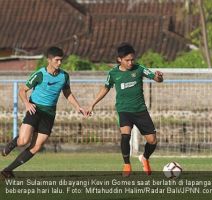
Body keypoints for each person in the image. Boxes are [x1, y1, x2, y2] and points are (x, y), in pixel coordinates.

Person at [1, 47, 85, 178]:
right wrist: (27, 104)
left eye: (61, 60)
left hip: (49, 114)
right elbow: (22, 90)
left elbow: (67, 93)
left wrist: (78, 107)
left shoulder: (64, 76)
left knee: (36, 146)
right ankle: (13, 143)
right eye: (57, 60)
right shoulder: (40, 74)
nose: (59, 63)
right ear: (49, 60)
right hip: (35, 109)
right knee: (23, 141)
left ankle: (8, 170)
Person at [87, 43, 163, 177]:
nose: (130, 62)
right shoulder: (113, 74)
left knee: (152, 141)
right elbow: (105, 88)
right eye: (127, 60)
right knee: (125, 135)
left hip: (140, 110)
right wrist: (92, 104)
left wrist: (159, 76)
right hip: (124, 110)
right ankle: (127, 164)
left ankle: (144, 157)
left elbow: (156, 78)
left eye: (132, 59)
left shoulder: (139, 69)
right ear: (119, 59)